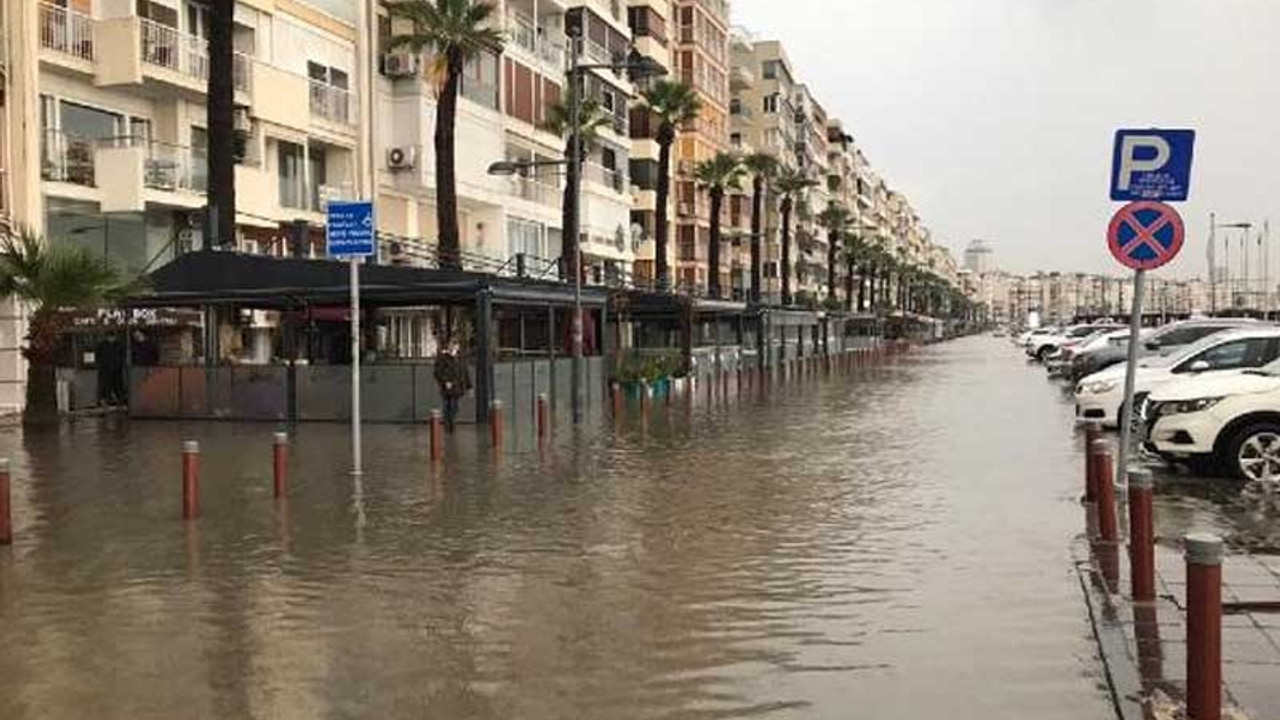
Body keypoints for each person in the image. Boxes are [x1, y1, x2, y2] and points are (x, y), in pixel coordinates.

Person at [434, 342, 471, 433]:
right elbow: (438, 372)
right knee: (447, 406)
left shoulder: (460, 359)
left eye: (455, 346)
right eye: (452, 346)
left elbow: (464, 372)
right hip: (447, 388)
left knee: (454, 407)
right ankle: (449, 425)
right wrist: (445, 381)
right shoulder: (443, 358)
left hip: (457, 387)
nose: (454, 348)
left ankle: (451, 423)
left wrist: (469, 386)